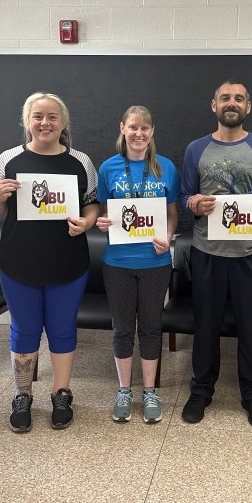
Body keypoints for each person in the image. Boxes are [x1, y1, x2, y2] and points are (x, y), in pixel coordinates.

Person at [0, 92, 99, 432]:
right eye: (38, 116)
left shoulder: (81, 161)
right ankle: (23, 395)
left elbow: (93, 203)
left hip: (68, 263)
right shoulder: (8, 159)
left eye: (52, 117)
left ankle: (61, 393)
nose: (44, 123)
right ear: (26, 121)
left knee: (62, 330)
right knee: (24, 330)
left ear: (63, 123)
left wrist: (88, 222)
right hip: (19, 263)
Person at [180, 80, 252, 429]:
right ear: (214, 105)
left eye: (238, 98)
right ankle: (201, 390)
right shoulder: (196, 148)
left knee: (251, 328)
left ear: (247, 107)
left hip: (251, 253)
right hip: (207, 251)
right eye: (225, 98)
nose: (231, 103)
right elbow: (184, 196)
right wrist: (192, 202)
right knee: (205, 325)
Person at [95, 106, 179, 424]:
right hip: (117, 262)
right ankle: (124, 390)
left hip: (155, 261)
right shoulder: (108, 168)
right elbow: (106, 213)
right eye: (133, 127)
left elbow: (173, 213)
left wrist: (169, 236)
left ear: (152, 131)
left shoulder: (165, 168)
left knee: (151, 327)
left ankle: (150, 392)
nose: (139, 133)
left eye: (145, 128)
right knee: (122, 329)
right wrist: (103, 223)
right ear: (123, 129)